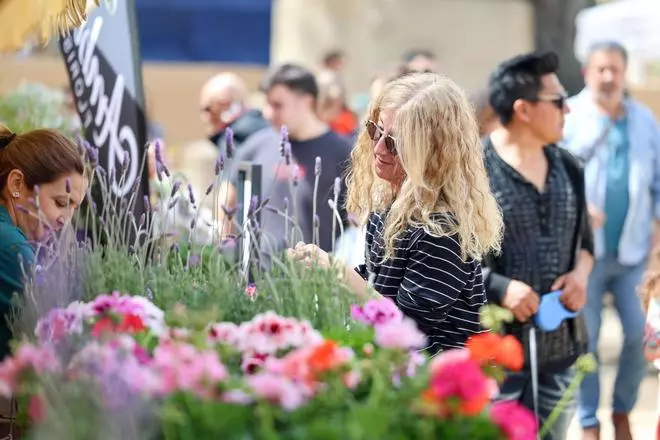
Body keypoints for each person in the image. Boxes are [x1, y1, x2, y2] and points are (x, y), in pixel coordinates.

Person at [289, 72, 503, 353]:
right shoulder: (393, 202)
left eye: (395, 142)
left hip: (437, 389)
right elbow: (377, 282)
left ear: (434, 152)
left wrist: (342, 276)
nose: (378, 148)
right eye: (375, 131)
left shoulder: (441, 227)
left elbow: (408, 330)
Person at [483, 51, 594, 440]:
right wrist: (500, 288)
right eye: (558, 100)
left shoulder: (569, 167)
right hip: (495, 359)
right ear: (524, 110)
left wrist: (580, 276)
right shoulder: (473, 172)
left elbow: (585, 244)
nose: (568, 109)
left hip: (561, 349)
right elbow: (452, 261)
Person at [562, 41, 660, 440]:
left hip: (634, 253)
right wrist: (580, 209)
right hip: (585, 256)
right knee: (584, 343)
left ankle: (621, 410)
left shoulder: (642, 118)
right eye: (600, 69)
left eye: (614, 70)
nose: (608, 77)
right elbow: (556, 175)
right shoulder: (569, 114)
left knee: (643, 335)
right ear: (588, 73)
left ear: (623, 73)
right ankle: (589, 421)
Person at [220, 63, 352, 255]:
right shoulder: (255, 147)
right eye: (267, 104)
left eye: (277, 105)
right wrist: (229, 253)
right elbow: (227, 200)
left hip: (317, 280)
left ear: (306, 102)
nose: (267, 113)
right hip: (259, 280)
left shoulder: (343, 153)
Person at [0, 127, 87, 355]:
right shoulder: (11, 246)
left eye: (73, 208)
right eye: (60, 202)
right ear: (17, 184)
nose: (65, 220)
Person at [199, 72, 269, 154]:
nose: (205, 118)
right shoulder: (262, 130)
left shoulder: (237, 138)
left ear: (224, 105)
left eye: (208, 109)